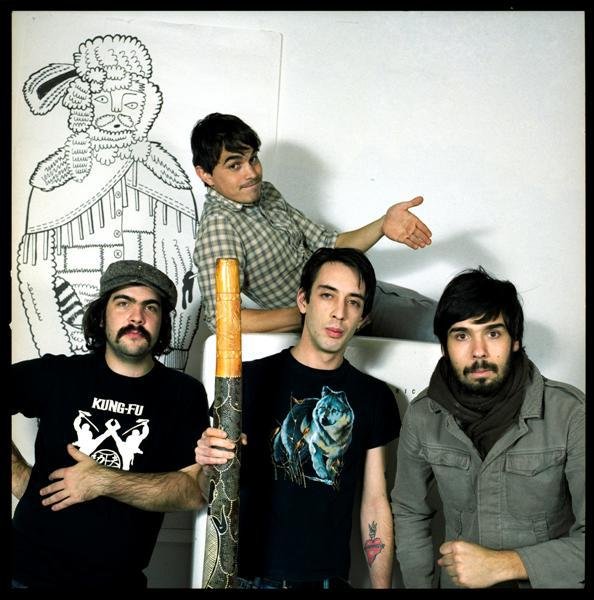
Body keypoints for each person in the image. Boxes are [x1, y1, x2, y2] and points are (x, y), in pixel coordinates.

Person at [196, 247, 400, 589]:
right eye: (327, 295)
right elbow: (207, 492)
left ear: (363, 317)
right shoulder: (244, 381)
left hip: (325, 581)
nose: (338, 313)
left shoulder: (374, 397)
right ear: (303, 301)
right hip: (246, 578)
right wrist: (208, 467)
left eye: (353, 302)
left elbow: (376, 503)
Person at [11, 260, 210, 588]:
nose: (137, 317)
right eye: (123, 303)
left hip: (117, 581)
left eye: (151, 307)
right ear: (102, 316)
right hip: (25, 574)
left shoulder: (183, 394)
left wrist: (102, 480)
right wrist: (19, 477)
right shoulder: (59, 375)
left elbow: (193, 491)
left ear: (162, 322)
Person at [392, 266, 584, 589]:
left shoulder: (570, 413)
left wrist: (503, 565)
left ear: (515, 341)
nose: (478, 351)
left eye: (493, 333)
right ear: (444, 346)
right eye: (462, 335)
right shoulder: (423, 414)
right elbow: (409, 512)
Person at [191, 112, 437, 342]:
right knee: (445, 331)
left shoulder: (266, 193)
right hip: (336, 323)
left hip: (361, 295)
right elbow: (225, 320)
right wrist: (314, 313)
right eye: (235, 165)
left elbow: (330, 244)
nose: (251, 173)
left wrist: (383, 224)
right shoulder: (219, 228)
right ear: (205, 174)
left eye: (253, 159)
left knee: (448, 319)